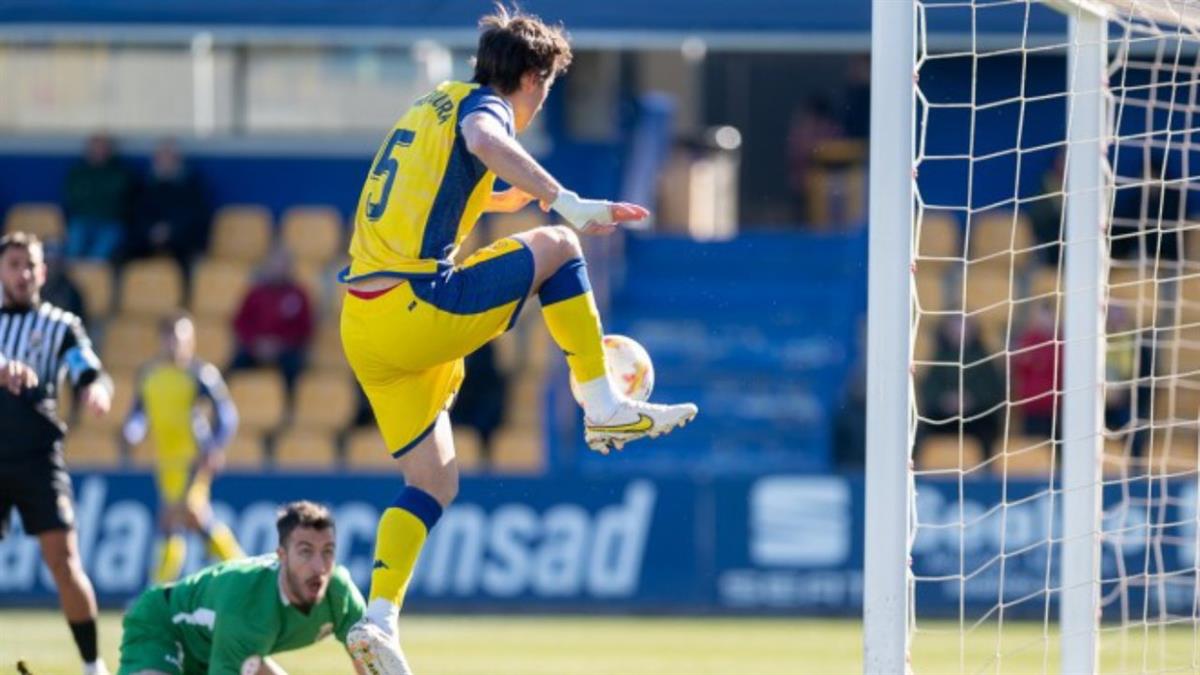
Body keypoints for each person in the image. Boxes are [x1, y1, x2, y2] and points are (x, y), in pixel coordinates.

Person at [337, 6, 698, 671]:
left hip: (363, 322)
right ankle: (600, 404)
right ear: (532, 80)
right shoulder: (482, 109)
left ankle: (379, 617)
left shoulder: (433, 102)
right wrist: (563, 198)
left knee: (433, 481)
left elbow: (439, 176)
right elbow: (482, 136)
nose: (539, 104)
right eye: (546, 89)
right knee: (561, 246)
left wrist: (505, 197)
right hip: (413, 302)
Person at [0, 232, 113, 675]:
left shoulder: (60, 324)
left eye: (30, 265)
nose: (23, 274)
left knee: (64, 564)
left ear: (43, 271)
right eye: (13, 265)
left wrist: (96, 390)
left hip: (38, 458)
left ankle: (92, 665)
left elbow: (85, 365)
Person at [117, 501, 368, 675]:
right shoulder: (248, 605)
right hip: (164, 624)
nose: (319, 566)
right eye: (305, 552)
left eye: (328, 552)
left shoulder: (340, 593)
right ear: (281, 556)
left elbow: (374, 658)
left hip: (227, 644)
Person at [124, 312, 243, 584]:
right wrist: (133, 430)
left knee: (175, 515)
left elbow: (227, 415)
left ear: (190, 341)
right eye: (170, 338)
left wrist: (214, 447)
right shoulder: (149, 374)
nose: (175, 345)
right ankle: (242, 569)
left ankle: (158, 591)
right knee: (192, 520)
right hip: (165, 460)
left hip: (193, 457)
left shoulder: (200, 374)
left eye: (181, 339)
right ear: (161, 340)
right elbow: (138, 413)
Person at [918, 316, 1005, 457]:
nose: (958, 332)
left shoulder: (984, 358)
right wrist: (944, 401)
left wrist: (971, 401)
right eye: (954, 328)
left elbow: (994, 391)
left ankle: (986, 472)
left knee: (988, 432)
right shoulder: (939, 357)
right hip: (944, 418)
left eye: (962, 328)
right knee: (922, 430)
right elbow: (929, 390)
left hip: (976, 418)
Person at [231, 247, 315, 392]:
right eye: (275, 264)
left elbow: (304, 327)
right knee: (236, 364)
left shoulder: (298, 294)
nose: (278, 268)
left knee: (295, 367)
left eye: (282, 264)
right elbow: (241, 322)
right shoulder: (256, 293)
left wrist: (280, 345)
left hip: (286, 349)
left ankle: (290, 406)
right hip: (256, 347)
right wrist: (256, 343)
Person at [128, 138, 212, 274]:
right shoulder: (145, 185)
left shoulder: (190, 186)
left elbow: (194, 216)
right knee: (124, 253)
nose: (165, 161)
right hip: (149, 237)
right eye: (161, 157)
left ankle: (186, 295)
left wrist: (169, 231)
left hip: (181, 238)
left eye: (169, 157)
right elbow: (138, 213)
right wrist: (152, 231)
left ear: (177, 159)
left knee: (188, 259)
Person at [63, 133, 136, 261]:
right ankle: (70, 276)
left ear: (109, 151)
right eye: (95, 148)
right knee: (75, 239)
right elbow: (74, 200)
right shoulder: (78, 173)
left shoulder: (120, 173)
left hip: (110, 222)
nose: (98, 152)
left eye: (102, 148)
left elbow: (119, 201)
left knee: (100, 251)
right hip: (82, 220)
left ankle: (93, 277)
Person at [1012, 301, 1061, 437]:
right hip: (1033, 408)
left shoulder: (1063, 341)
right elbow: (1021, 365)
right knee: (1035, 449)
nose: (1043, 320)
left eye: (1046, 315)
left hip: (1060, 407)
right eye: (1039, 315)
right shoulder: (1026, 340)